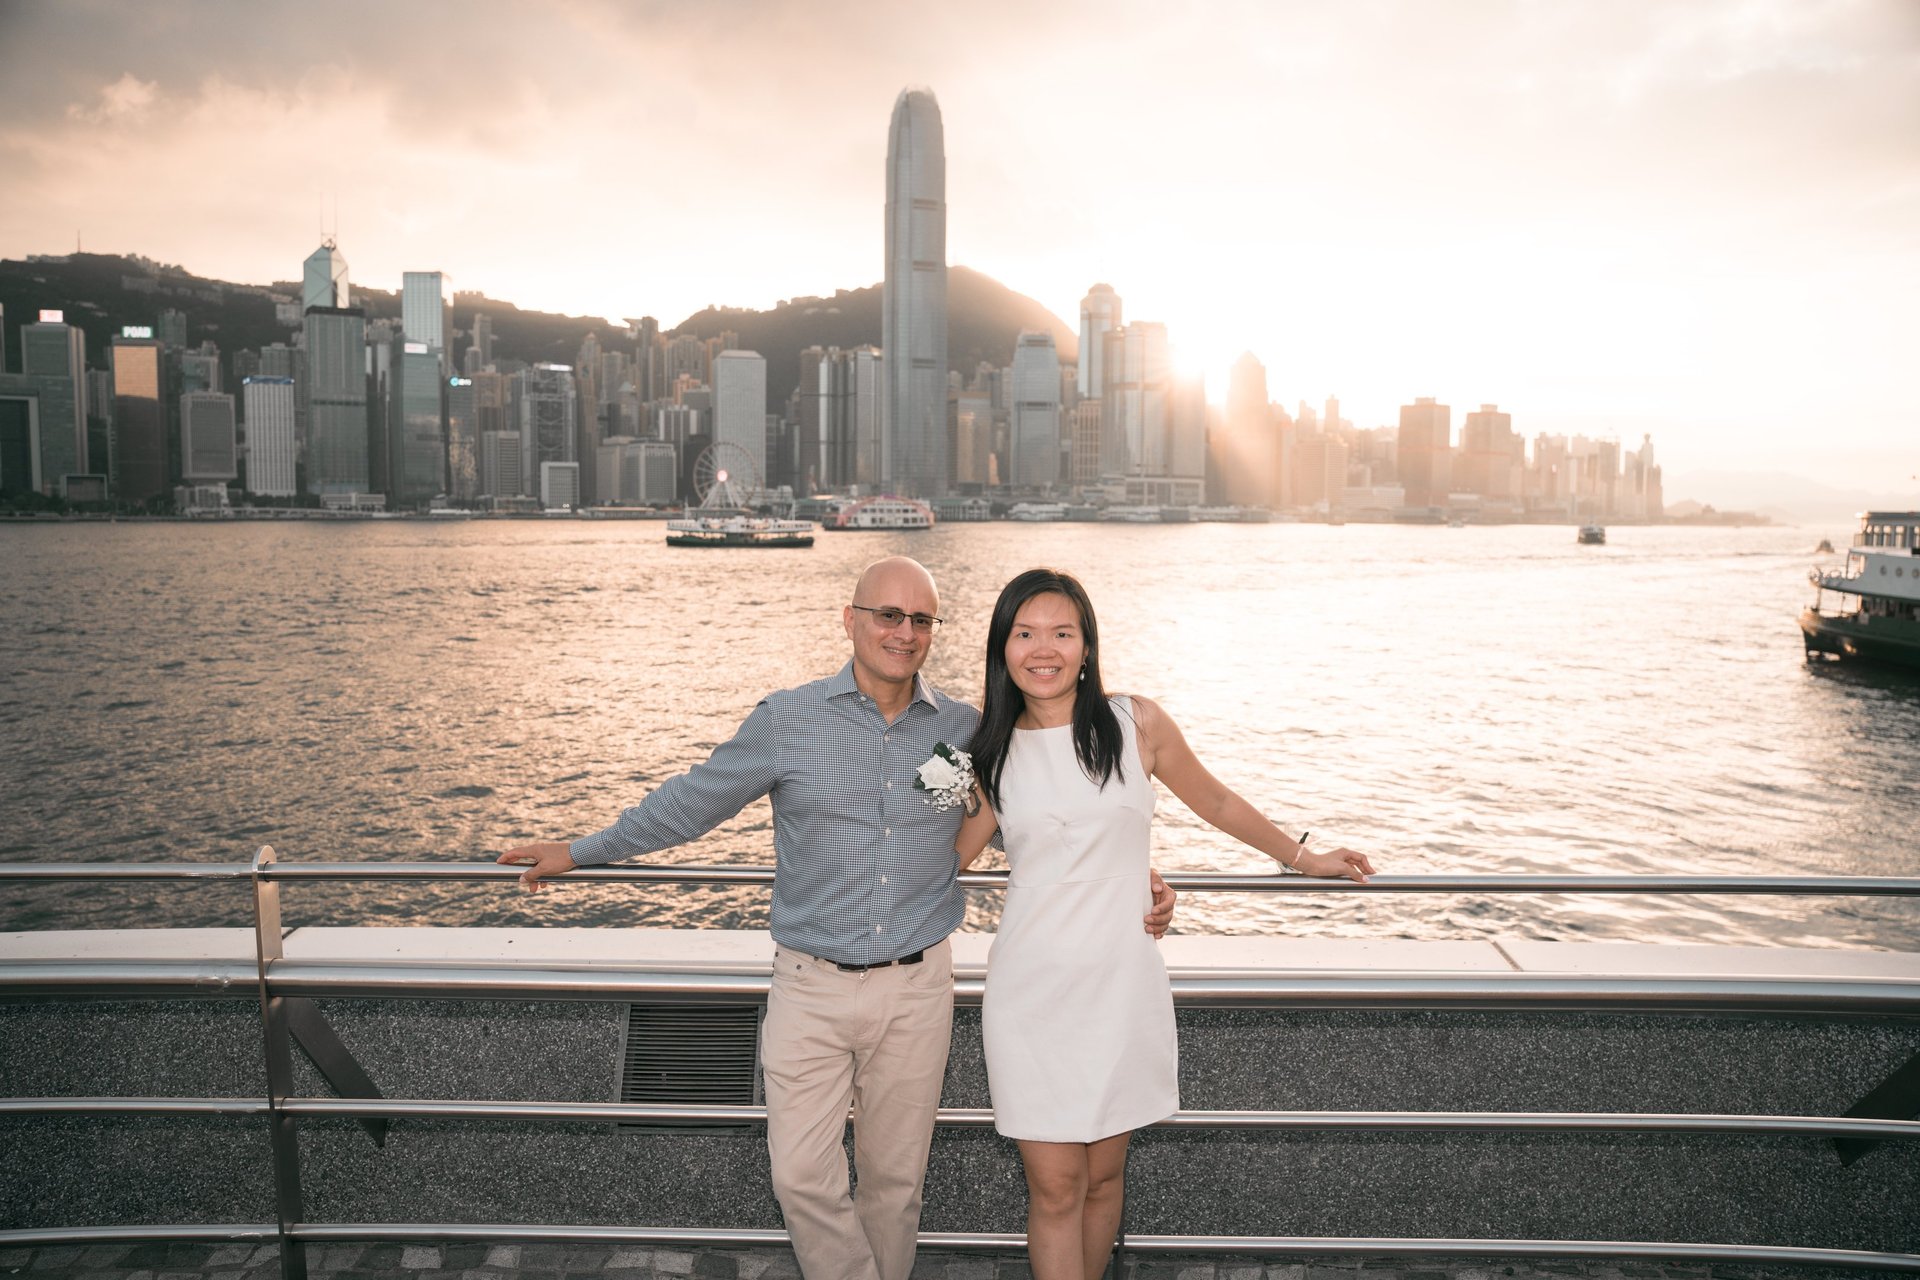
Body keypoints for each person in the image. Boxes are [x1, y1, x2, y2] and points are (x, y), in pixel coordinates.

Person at [498, 556, 1177, 1280]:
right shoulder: (790, 720)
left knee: (895, 1188)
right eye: (887, 615)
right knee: (800, 1176)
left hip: (917, 990)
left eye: (920, 620)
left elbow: (1013, 823)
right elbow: (692, 803)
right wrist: (580, 851)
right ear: (850, 620)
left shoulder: (953, 732)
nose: (903, 632)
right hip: (810, 987)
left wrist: (1130, 869)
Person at [953, 567, 1374, 1280]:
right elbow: (941, 858)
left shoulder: (1135, 723)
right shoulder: (988, 752)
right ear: (1003, 648)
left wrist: (1305, 859)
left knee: (1105, 1181)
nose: (1043, 648)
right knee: (1055, 1187)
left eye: (1062, 632)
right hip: (1033, 994)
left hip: (1120, 983)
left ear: (1087, 646)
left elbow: (1216, 801)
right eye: (1025, 634)